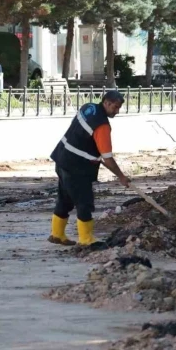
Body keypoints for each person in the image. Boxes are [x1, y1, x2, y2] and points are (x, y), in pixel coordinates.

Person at [48, 90, 131, 247]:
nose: (117, 111)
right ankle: (86, 239)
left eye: (119, 108)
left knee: (65, 198)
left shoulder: (88, 107)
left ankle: (57, 234)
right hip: (77, 167)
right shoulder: (102, 126)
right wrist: (121, 176)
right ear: (106, 103)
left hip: (62, 158)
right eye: (115, 107)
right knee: (84, 202)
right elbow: (107, 157)